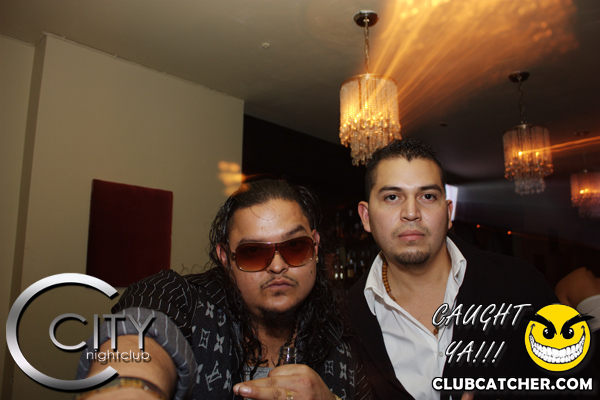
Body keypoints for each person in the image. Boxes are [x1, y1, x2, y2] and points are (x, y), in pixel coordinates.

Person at [76, 178, 370, 400]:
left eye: (294, 246)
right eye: (253, 252)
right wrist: (131, 386)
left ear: (315, 247)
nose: (278, 265)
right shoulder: (183, 300)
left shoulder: (344, 335)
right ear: (225, 258)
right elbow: (139, 335)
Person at [346, 138, 596, 399]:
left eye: (428, 196)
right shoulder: (346, 319)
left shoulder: (521, 285)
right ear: (366, 217)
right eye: (392, 197)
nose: (411, 212)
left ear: (448, 212)